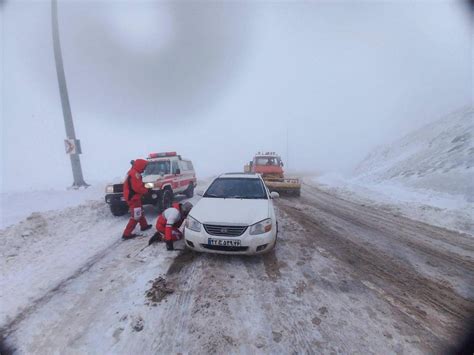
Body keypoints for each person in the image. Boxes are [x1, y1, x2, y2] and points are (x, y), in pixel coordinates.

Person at [122, 159, 152, 240]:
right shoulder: (135, 174)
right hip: (133, 198)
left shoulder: (133, 172)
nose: (145, 169)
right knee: (136, 215)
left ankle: (144, 226)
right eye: (144, 167)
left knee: (139, 211)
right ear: (140, 166)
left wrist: (145, 186)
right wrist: (147, 190)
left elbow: (138, 185)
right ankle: (127, 233)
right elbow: (137, 188)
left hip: (133, 197)